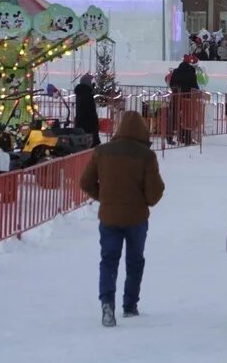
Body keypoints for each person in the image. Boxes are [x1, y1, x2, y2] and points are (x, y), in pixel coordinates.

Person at [79, 111, 166, 327]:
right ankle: (130, 305)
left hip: (109, 217)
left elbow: (85, 182)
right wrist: (143, 201)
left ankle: (107, 303)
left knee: (108, 260)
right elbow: (155, 192)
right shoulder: (146, 156)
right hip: (137, 219)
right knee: (135, 261)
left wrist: (104, 197)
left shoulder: (102, 152)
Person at [168, 55, 200, 145]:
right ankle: (185, 138)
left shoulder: (176, 71)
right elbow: (194, 86)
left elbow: (171, 83)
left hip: (175, 96)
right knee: (186, 118)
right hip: (187, 99)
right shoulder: (191, 73)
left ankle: (169, 136)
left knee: (173, 116)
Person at [74, 77, 100, 148]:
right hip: (89, 125)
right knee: (91, 146)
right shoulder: (86, 93)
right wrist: (95, 124)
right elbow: (89, 110)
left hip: (82, 123)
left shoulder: (81, 92)